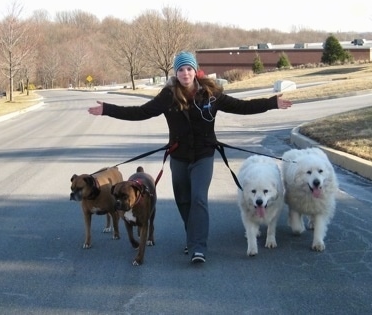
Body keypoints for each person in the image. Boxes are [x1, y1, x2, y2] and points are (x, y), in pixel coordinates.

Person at [88, 51, 292, 264]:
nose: (185, 73)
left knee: (199, 199)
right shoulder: (168, 96)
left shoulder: (210, 93)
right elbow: (140, 112)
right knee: (184, 200)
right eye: (181, 69)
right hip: (179, 156)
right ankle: (192, 236)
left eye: (189, 69)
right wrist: (106, 109)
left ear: (195, 71)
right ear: (176, 73)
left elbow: (242, 107)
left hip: (203, 155)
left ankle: (198, 248)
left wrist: (272, 103)